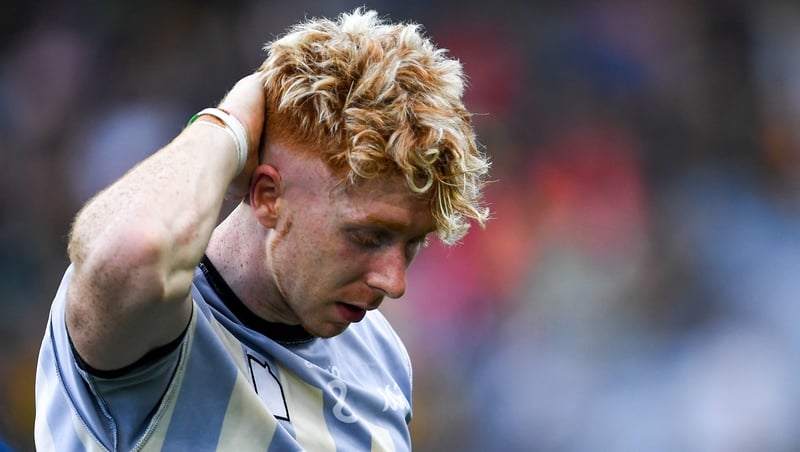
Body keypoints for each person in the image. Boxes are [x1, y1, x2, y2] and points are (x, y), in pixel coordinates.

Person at [34, 8, 489, 451]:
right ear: (268, 196)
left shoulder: (380, 356)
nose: (394, 282)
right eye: (368, 237)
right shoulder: (148, 318)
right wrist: (228, 123)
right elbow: (128, 255)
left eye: (412, 244)